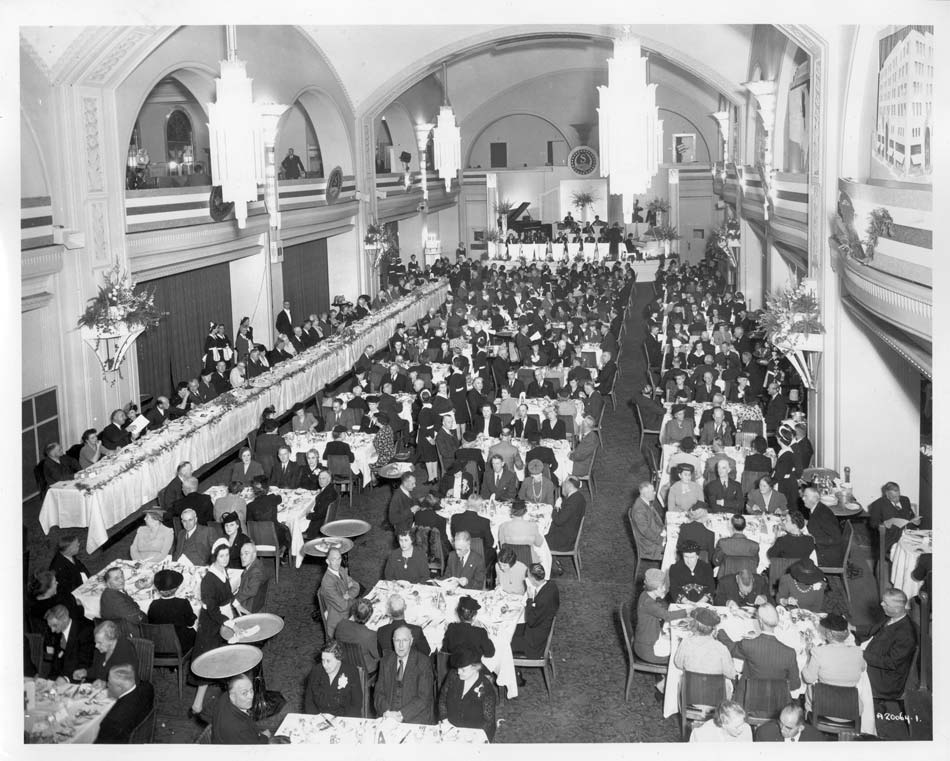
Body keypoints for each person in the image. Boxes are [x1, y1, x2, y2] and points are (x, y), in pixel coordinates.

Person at [717, 604, 800, 709]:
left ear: (760, 622)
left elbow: (731, 647)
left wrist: (720, 630)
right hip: (777, 705)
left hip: (747, 700)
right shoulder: (790, 653)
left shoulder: (748, 645)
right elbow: (794, 685)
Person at [189, 542, 235, 718]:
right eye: (221, 556)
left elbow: (228, 594)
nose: (225, 559)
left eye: (227, 555)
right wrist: (227, 622)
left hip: (224, 616)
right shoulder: (208, 580)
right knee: (209, 661)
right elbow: (211, 609)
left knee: (223, 658)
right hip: (211, 624)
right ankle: (197, 704)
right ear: (214, 557)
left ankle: (226, 699)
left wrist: (235, 604)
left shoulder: (223, 571)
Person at [856, 588, 917, 700]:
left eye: (886, 603)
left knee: (844, 669)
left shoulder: (906, 635)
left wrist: (862, 654)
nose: (881, 604)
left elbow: (890, 663)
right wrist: (853, 628)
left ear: (897, 608)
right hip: (873, 658)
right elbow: (873, 629)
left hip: (885, 679)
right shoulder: (892, 617)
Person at [375, 625, 435, 724]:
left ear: (411, 641)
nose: (401, 645)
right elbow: (378, 693)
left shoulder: (423, 662)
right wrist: (387, 712)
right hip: (389, 716)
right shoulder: (385, 661)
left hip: (414, 716)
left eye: (405, 640)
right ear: (392, 641)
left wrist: (402, 715)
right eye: (397, 641)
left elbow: (424, 698)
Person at [801, 613, 866, 702]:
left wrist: (808, 658)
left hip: (824, 704)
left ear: (829, 634)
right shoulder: (857, 652)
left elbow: (808, 678)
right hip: (850, 706)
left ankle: (808, 711)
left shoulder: (818, 652)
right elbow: (863, 667)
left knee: (809, 685)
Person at [673, 609, 736, 701]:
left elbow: (678, 664)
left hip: (691, 696)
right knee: (728, 682)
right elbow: (731, 674)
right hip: (715, 700)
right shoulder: (721, 648)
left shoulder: (686, 643)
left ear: (694, 625)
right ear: (714, 629)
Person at [438, 647, 497, 742]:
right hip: (449, 729)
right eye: (457, 668)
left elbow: (489, 722)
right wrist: (445, 721)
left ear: (475, 668)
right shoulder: (453, 676)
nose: (458, 672)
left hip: (472, 735)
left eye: (463, 670)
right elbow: (442, 699)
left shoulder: (486, 688)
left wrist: (473, 738)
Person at [634, 568, 688, 666]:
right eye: (662, 587)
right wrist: (688, 611)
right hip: (648, 649)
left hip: (647, 638)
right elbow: (667, 616)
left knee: (679, 644)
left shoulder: (645, 594)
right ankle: (667, 680)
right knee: (681, 657)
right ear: (654, 589)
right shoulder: (649, 604)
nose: (664, 589)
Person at [511, 562, 559, 663]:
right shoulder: (552, 585)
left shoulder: (543, 600)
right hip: (541, 627)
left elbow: (531, 621)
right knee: (510, 628)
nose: (526, 577)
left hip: (534, 643)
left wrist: (529, 599)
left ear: (533, 579)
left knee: (504, 641)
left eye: (528, 575)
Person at [94, 664, 155, 744]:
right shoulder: (148, 687)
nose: (107, 685)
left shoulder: (111, 722)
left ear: (120, 688)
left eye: (109, 683)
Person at [210, 673, 271, 744]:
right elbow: (253, 749)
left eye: (251, 690)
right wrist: (265, 737)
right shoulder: (238, 729)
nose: (250, 696)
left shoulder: (225, 696)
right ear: (232, 696)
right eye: (244, 693)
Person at [147, 569, 197, 652]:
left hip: (159, 646)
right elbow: (190, 623)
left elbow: (152, 623)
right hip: (180, 646)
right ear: (176, 589)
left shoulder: (153, 605)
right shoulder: (183, 603)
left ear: (158, 590)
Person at [43, 604, 94, 681]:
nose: (52, 630)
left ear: (65, 619)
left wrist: (66, 679)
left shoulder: (84, 632)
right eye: (50, 627)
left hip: (77, 680)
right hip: (61, 680)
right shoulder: (58, 634)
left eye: (55, 625)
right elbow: (55, 665)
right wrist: (48, 680)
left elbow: (84, 665)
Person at [868, 481, 920, 555]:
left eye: (898, 495)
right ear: (886, 494)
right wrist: (884, 524)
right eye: (894, 497)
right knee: (907, 552)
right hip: (891, 538)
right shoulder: (877, 504)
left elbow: (911, 516)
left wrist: (916, 521)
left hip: (909, 534)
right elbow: (873, 524)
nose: (897, 499)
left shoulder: (905, 500)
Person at [320, 547, 361, 637]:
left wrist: (348, 595)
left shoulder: (341, 570)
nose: (337, 562)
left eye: (339, 558)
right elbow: (343, 606)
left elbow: (357, 586)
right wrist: (350, 596)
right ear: (327, 561)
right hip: (339, 623)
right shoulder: (327, 582)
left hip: (349, 613)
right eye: (333, 559)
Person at [335, 598, 381, 676]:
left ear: (353, 611)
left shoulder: (341, 624)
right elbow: (378, 655)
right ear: (369, 617)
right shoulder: (369, 635)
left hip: (345, 662)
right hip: (366, 669)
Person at [87, 619, 138, 683]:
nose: (96, 646)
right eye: (96, 642)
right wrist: (85, 672)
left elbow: (128, 679)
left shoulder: (125, 648)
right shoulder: (101, 650)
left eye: (100, 642)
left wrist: (106, 684)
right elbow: (96, 670)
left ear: (111, 640)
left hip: (122, 690)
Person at [803, 486, 843, 566]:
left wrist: (815, 540)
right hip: (823, 548)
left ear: (814, 499)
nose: (803, 498)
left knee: (795, 552)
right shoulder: (817, 508)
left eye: (805, 496)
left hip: (827, 554)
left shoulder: (823, 515)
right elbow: (816, 524)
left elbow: (837, 538)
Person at [754, 703, 826, 742]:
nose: (782, 730)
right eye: (781, 723)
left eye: (788, 728)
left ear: (800, 728)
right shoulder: (764, 734)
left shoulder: (816, 739)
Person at [630, 481, 665, 560]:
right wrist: (662, 540)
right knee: (677, 550)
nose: (655, 492)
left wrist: (664, 529)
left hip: (655, 535)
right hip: (648, 546)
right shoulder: (639, 511)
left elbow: (655, 519)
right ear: (645, 494)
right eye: (652, 491)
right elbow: (646, 532)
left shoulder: (644, 502)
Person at [234, 542, 270, 615]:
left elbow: (252, 590)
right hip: (254, 602)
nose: (243, 557)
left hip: (248, 605)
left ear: (254, 555)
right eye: (241, 554)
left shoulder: (256, 571)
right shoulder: (256, 564)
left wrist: (236, 599)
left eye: (246, 553)